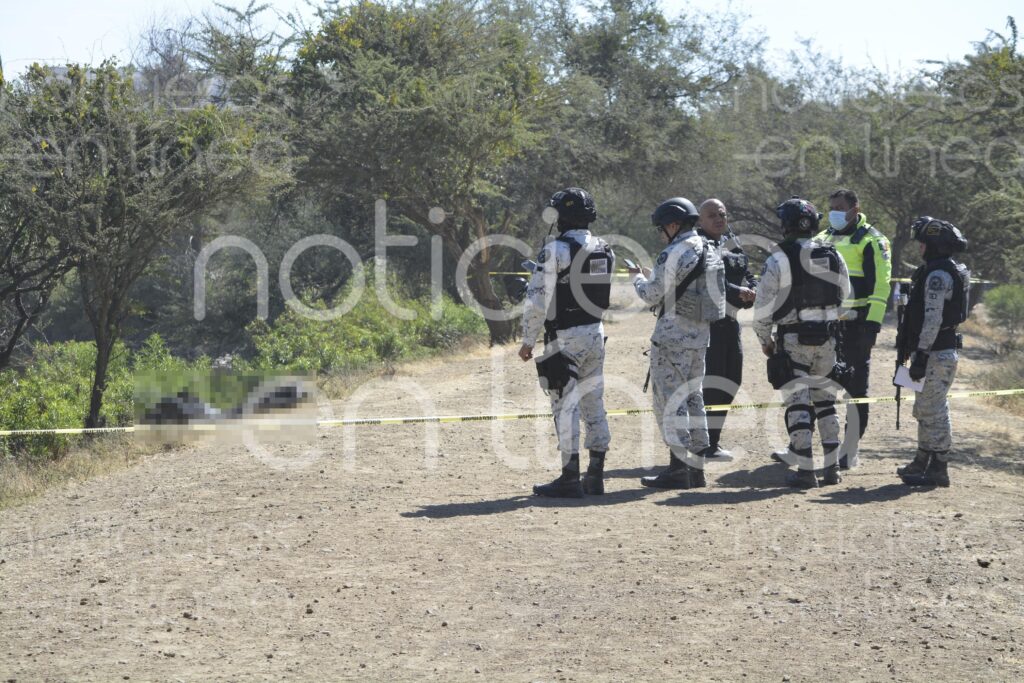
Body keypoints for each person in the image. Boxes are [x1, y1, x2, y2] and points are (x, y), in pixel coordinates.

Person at [519, 187, 615, 498]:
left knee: (565, 406)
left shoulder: (556, 250)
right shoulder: (605, 249)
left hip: (565, 338)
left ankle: (569, 477)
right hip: (595, 334)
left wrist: (527, 341)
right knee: (593, 403)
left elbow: (536, 302)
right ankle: (596, 475)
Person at [628, 197, 726, 489]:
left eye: (662, 229)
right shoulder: (709, 247)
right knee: (694, 398)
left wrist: (637, 279)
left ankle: (678, 468)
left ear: (673, 224)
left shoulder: (673, 252)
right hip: (700, 337)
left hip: (672, 338)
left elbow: (651, 295)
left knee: (671, 402)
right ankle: (696, 469)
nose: (661, 235)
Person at [754, 197, 852, 489]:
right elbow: (845, 296)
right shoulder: (833, 254)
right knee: (825, 402)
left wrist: (765, 340)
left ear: (786, 225)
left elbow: (763, 308)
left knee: (797, 403)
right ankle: (832, 468)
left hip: (793, 338)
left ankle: (806, 471)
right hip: (827, 339)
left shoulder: (778, 258)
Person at [815, 188, 892, 469]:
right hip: (825, 326)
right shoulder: (822, 238)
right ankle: (802, 444)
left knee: (855, 389)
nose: (834, 212)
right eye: (831, 207)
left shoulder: (872, 240)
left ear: (855, 209)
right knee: (819, 386)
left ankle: (849, 450)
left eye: (840, 207)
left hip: (857, 327)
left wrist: (872, 325)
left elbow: (881, 287)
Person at [895, 217, 970, 487]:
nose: (920, 248)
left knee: (934, 410)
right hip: (931, 351)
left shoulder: (938, 275)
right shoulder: (939, 270)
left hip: (935, 353)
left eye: (923, 243)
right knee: (924, 409)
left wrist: (922, 354)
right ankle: (922, 460)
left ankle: (938, 467)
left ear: (935, 245)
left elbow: (933, 319)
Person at [697, 198, 757, 459]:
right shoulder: (696, 245)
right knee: (710, 385)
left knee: (731, 382)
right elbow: (706, 279)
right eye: (711, 215)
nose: (718, 218)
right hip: (707, 326)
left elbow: (746, 270)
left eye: (721, 214)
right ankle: (703, 444)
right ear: (700, 220)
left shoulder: (730, 241)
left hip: (731, 323)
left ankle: (713, 442)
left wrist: (753, 289)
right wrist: (738, 291)